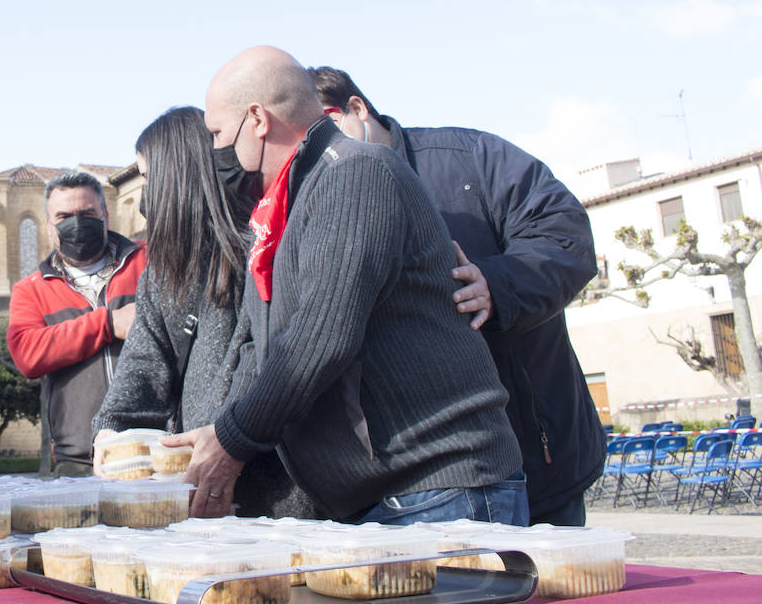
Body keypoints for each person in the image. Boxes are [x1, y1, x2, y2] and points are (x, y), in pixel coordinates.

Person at [167, 45, 524, 526]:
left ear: (257, 119)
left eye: (216, 132)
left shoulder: (355, 172)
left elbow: (320, 338)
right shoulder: (279, 214)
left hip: (438, 491)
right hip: (384, 498)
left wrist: (231, 441)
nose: (214, 151)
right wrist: (218, 434)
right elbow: (261, 350)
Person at [309, 65, 606, 526]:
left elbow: (565, 235)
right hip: (421, 481)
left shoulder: (472, 158)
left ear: (357, 109)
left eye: (328, 130)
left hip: (537, 450)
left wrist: (497, 284)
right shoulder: (321, 198)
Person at [93, 107, 314, 518]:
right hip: (200, 491)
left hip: (278, 496)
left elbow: (263, 362)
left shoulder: (264, 246)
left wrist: (221, 441)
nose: (144, 199)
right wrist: (113, 430)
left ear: (177, 176)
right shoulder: (163, 271)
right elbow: (144, 361)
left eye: (147, 179)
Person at [7, 171, 147, 476]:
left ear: (105, 217)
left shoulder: (147, 262)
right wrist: (108, 324)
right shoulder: (31, 289)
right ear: (48, 225)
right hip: (79, 460)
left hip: (155, 448)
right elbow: (28, 354)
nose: (77, 224)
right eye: (64, 216)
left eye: (87, 214)